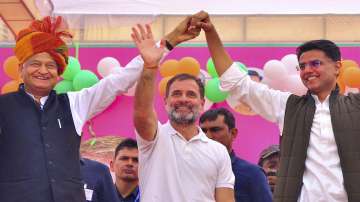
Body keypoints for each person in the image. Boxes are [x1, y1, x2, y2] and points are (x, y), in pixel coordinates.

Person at [0, 15, 198, 202]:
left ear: (59, 72)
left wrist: (169, 41)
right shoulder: (4, 107)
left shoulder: (74, 104)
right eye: (35, 64)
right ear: (21, 69)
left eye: (51, 65)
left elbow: (117, 82)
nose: (43, 70)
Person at [192, 11, 360, 202]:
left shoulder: (355, 106)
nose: (307, 71)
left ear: (337, 66)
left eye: (315, 63)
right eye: (302, 66)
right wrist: (211, 33)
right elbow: (236, 83)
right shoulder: (287, 106)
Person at [131, 21, 235, 201]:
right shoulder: (154, 139)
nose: (184, 99)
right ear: (166, 102)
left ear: (202, 103)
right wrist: (149, 67)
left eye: (191, 94)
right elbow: (142, 113)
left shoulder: (218, 151)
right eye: (177, 94)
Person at [200, 107, 272, 202]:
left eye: (215, 130)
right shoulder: (190, 168)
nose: (208, 136)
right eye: (203, 131)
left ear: (233, 133)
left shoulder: (252, 174)